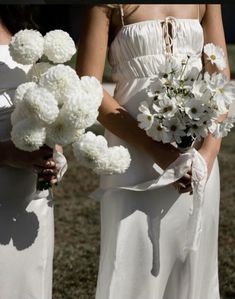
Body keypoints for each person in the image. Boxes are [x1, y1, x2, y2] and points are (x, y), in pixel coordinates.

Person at [76, 4, 230, 299]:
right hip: (132, 155)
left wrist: (207, 156)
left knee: (191, 269)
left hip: (197, 161)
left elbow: (219, 76)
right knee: (131, 263)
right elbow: (88, 85)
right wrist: (157, 151)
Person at [0, 5, 67, 299]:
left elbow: (47, 113)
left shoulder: (25, 42)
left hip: (31, 203)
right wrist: (7, 155)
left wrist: (57, 158)